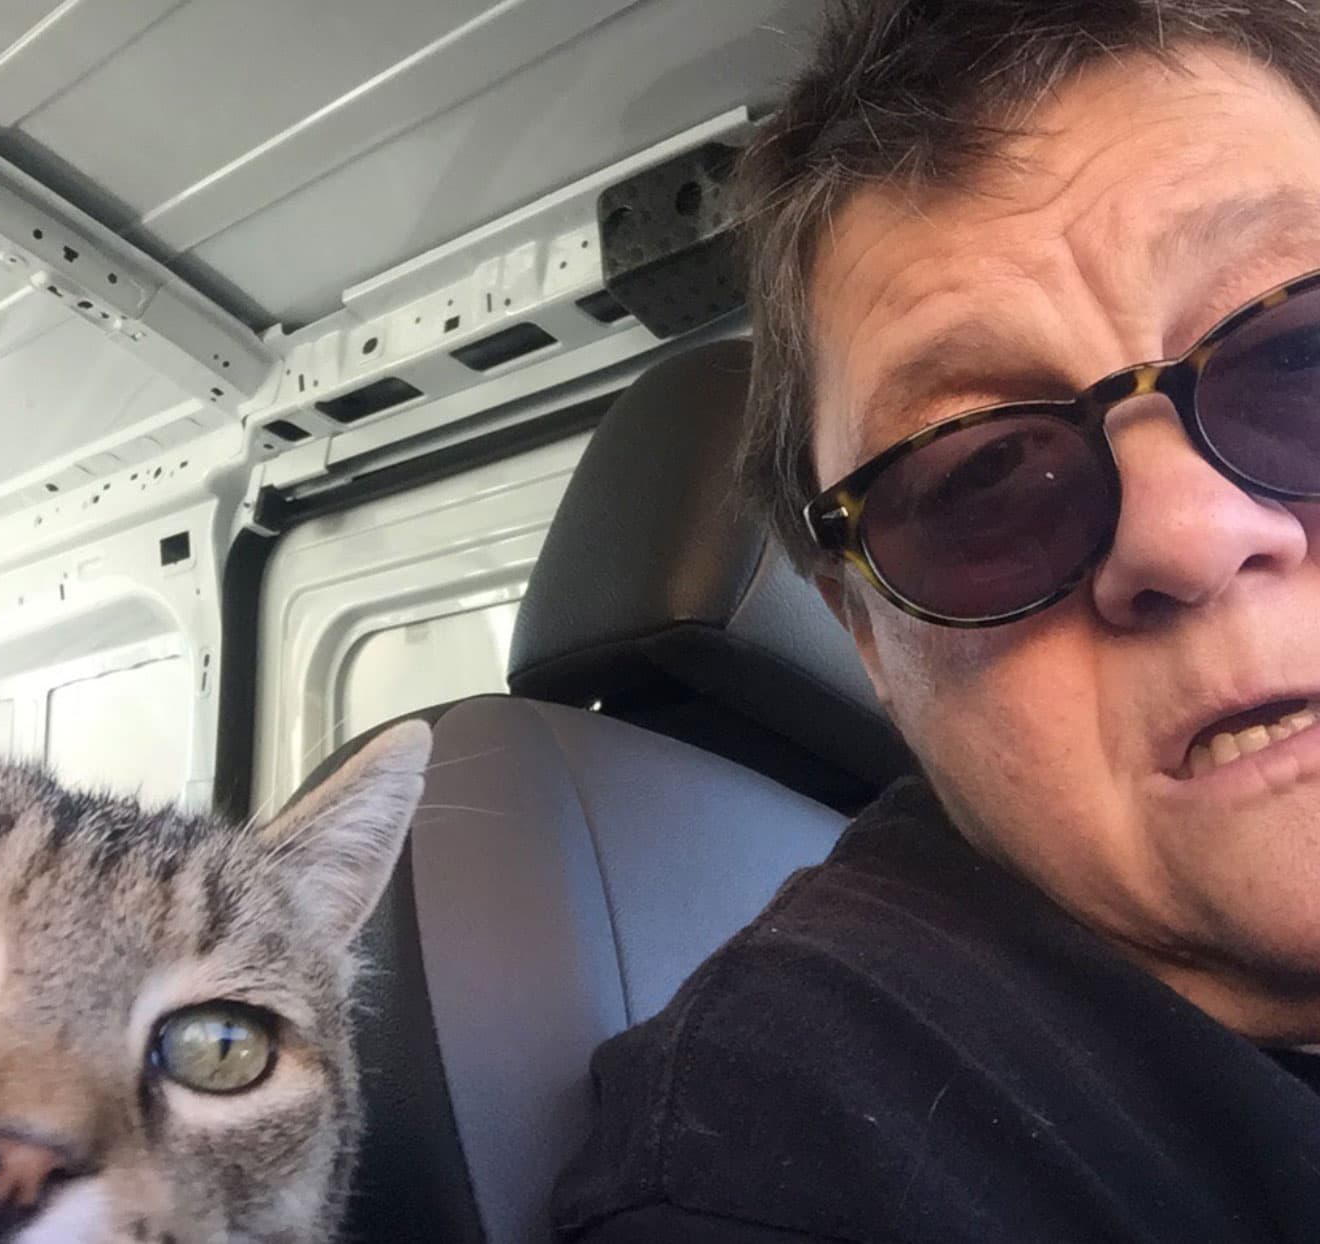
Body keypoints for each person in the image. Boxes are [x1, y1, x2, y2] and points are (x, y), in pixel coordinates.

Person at [552, 2, 1320, 1240]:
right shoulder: (782, 1157)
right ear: (866, 640)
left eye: (1299, 360)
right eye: (980, 483)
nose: (1187, 534)